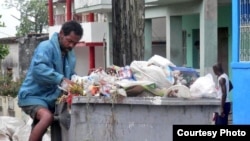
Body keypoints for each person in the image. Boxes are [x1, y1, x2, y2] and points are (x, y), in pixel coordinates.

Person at [17, 20, 83, 141]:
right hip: (33, 96)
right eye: (70, 41)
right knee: (47, 117)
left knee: (59, 120)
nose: (71, 46)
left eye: (75, 43)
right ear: (61, 33)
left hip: (51, 99)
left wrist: (82, 81)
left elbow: (70, 75)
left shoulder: (70, 54)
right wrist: (61, 79)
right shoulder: (46, 46)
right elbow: (39, 69)